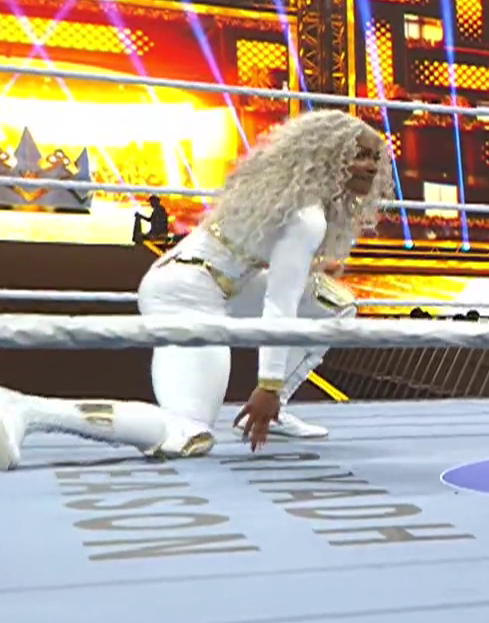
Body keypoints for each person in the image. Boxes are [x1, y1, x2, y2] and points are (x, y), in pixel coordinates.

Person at [0, 110, 391, 471]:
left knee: (333, 303)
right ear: (329, 155)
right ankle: (28, 410)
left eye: (375, 157)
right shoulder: (306, 216)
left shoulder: (291, 195)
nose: (371, 166)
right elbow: (280, 303)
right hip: (186, 293)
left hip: (218, 283)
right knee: (189, 431)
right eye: (359, 155)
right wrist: (268, 384)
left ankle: (274, 410)